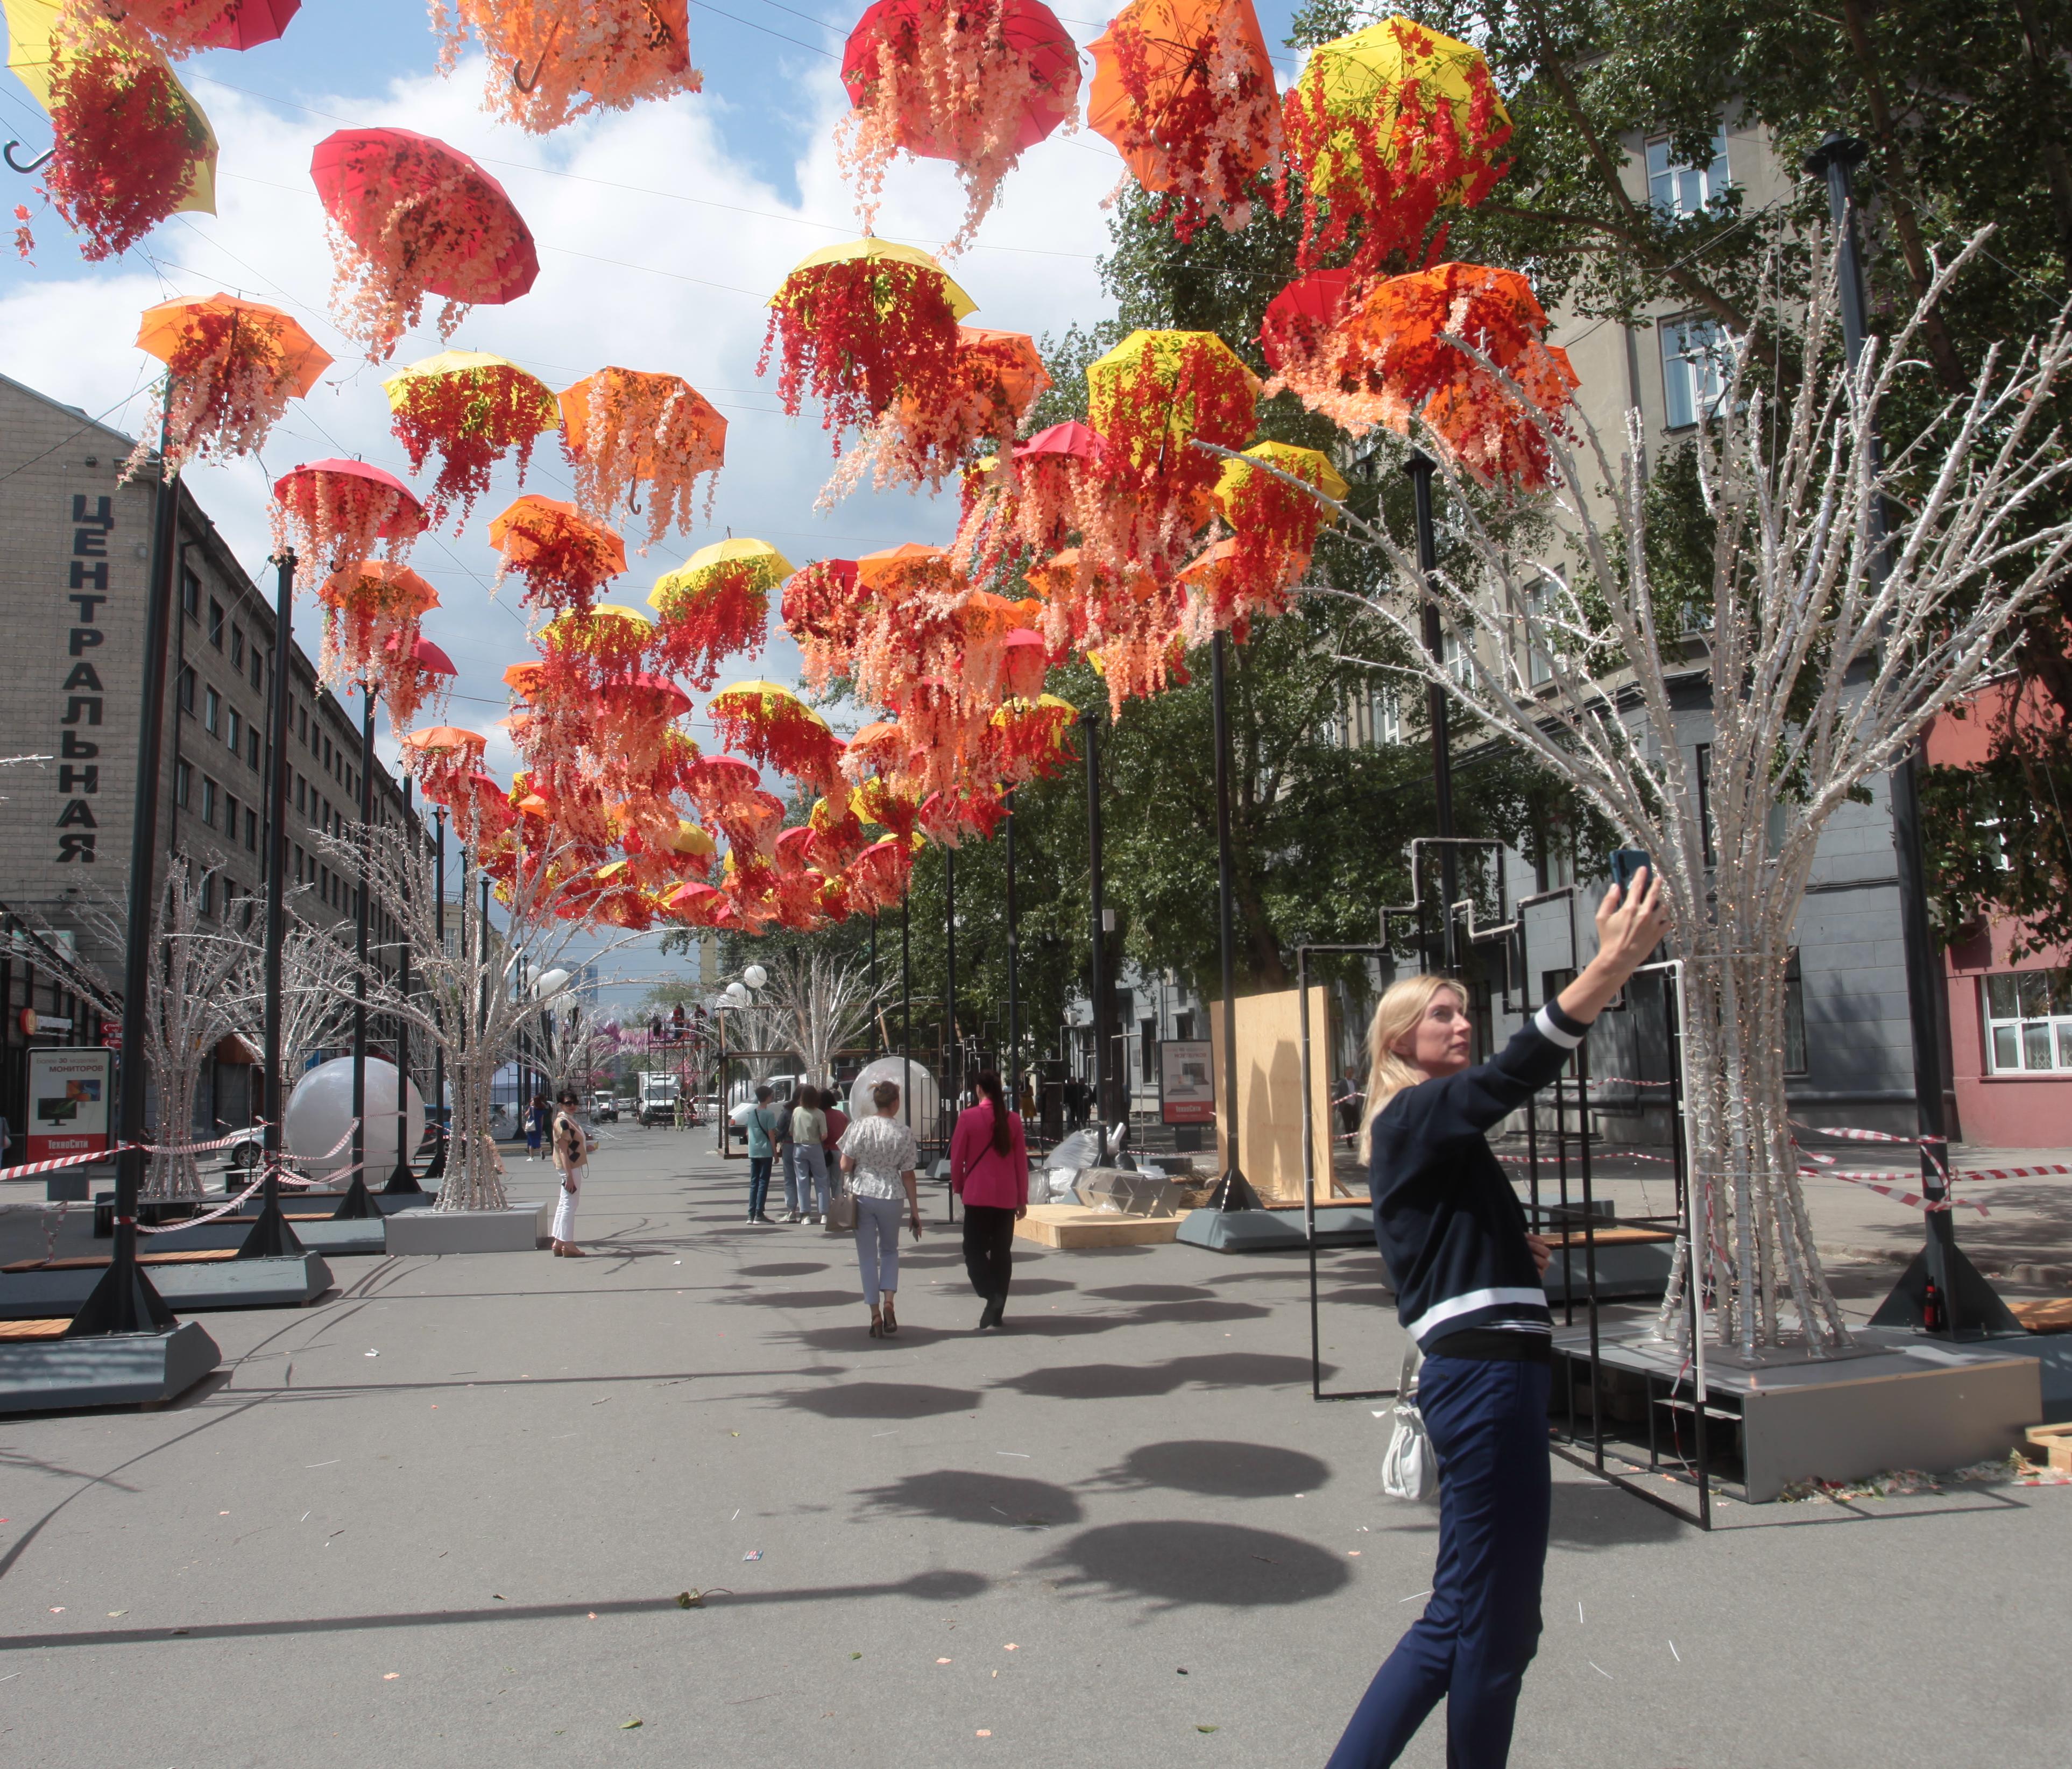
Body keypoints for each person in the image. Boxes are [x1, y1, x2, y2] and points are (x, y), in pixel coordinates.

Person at [1326, 869, 1667, 1769]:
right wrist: (1608, 966)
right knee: (1483, 1618)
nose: (1461, 1022)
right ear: (1401, 1035)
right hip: (1480, 1381)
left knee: (1486, 1617)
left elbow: (1438, 1252)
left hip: (1494, 1370)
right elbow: (1520, 1068)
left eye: (1464, 1010)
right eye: (1442, 1013)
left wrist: (1517, 1260)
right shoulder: (1411, 1110)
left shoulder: (1434, 1130)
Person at [837, 1078, 923, 1338]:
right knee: (889, 1251)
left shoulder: (859, 1127)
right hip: (892, 1194)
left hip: (863, 1192)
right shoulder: (904, 1133)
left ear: (876, 1101)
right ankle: (889, 1302)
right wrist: (915, 1211)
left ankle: (874, 1314)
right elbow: (908, 1174)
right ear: (895, 1103)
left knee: (866, 1255)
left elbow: (844, 1165)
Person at [951, 1068, 1028, 1329]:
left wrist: (959, 1187)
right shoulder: (1013, 1120)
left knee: (973, 1250)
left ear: (979, 1090)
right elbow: (1020, 1164)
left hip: (977, 1195)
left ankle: (989, 1294)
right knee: (1001, 1253)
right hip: (1006, 1196)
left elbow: (957, 1158)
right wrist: (1022, 1199)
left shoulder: (968, 1117)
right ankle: (997, 1311)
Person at [548, 1087, 594, 1257]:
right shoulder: (562, 1122)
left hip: (572, 1166)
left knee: (565, 1203)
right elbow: (562, 1151)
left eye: (575, 1102)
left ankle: (559, 1242)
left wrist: (585, 1147)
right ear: (561, 1105)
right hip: (570, 1168)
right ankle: (568, 1244)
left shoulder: (569, 1120)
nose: (573, 1106)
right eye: (568, 1103)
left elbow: (572, 1144)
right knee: (570, 1204)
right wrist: (568, 1176)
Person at [738, 1086, 782, 1225]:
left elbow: (747, 1133)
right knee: (763, 1182)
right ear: (768, 1097)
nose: (772, 1097)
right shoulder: (769, 1115)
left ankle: (751, 1214)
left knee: (754, 1182)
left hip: (753, 1151)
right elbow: (771, 1135)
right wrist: (776, 1154)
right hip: (766, 1151)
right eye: (771, 1095)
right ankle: (759, 1213)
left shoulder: (751, 1114)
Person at [791, 1085, 830, 1226]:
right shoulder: (820, 1114)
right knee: (821, 1180)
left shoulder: (796, 1112)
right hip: (815, 1147)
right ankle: (824, 1213)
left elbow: (791, 1131)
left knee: (802, 1181)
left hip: (799, 1147)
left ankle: (805, 1215)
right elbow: (824, 1135)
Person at [525, 1092, 548, 1161]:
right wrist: (541, 1127)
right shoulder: (542, 1108)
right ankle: (538, 1152)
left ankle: (533, 1156)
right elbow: (542, 1119)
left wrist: (530, 1106)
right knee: (537, 1139)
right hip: (538, 1125)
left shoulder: (532, 1108)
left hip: (531, 1125)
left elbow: (526, 1115)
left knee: (531, 1140)